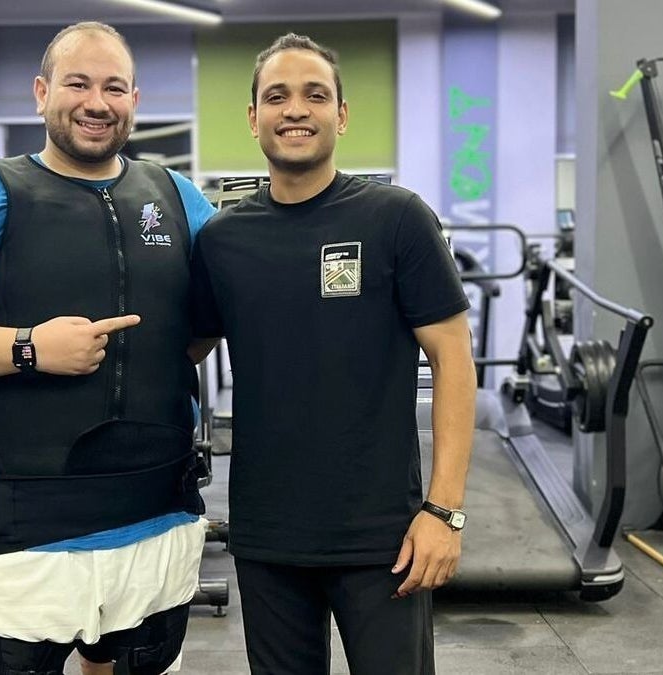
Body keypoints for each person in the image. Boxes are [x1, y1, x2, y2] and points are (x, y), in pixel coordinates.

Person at [0, 22, 216, 675]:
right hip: (16, 528)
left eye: (114, 87)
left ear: (135, 101)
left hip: (156, 512)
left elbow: (203, 325)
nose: (97, 101)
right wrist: (30, 348)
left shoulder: (179, 200)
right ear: (41, 93)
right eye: (78, 83)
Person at [189, 33, 476, 674]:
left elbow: (454, 359)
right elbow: (181, 351)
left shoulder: (396, 218)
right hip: (267, 537)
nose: (296, 109)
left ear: (341, 115)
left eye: (315, 95)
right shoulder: (223, 239)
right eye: (277, 96)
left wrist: (444, 511)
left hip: (385, 538)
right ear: (254, 117)